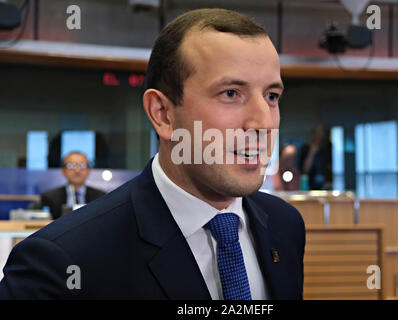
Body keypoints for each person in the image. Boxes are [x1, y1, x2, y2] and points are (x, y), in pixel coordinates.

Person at [0, 8, 305, 300]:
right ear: (162, 114)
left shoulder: (285, 225)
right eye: (230, 93)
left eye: (271, 96)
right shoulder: (60, 261)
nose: (263, 122)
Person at [39, 151, 106, 219]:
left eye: (82, 165)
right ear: (63, 171)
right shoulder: (49, 198)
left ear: (88, 170)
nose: (77, 170)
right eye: (71, 166)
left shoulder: (100, 197)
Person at [298, 124, 330, 190]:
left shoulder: (327, 148)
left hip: (325, 184)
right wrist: (312, 152)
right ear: (313, 134)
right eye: (317, 134)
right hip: (309, 183)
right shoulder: (306, 148)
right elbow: (304, 169)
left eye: (321, 134)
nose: (319, 136)